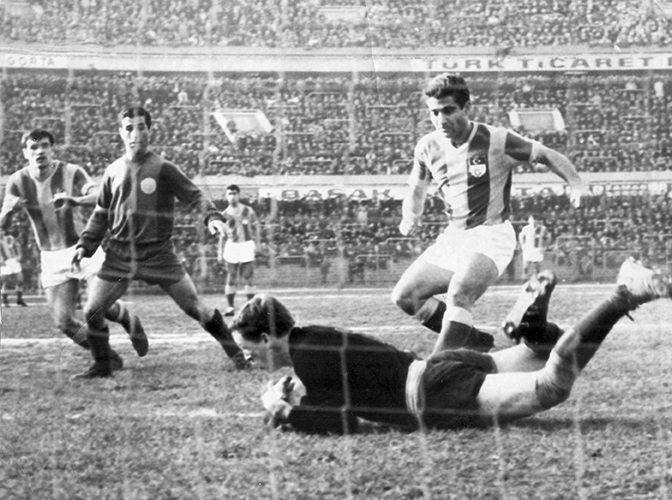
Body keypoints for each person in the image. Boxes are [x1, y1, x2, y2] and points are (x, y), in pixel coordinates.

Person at [232, 258, 672, 433]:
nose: (250, 357)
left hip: (434, 394)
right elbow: (343, 386)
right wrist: (304, 393)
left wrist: (286, 412)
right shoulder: (313, 337)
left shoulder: (309, 358)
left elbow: (344, 422)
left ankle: (623, 295)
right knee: (544, 352)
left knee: (551, 386)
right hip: (437, 367)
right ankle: (535, 329)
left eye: (250, 348)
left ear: (267, 338)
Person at [391, 73, 585, 356]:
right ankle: (474, 342)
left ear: (467, 108)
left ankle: (439, 366)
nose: (441, 119)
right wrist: (410, 214)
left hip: (491, 235)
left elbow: (546, 154)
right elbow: (417, 188)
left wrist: (575, 183)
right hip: (455, 237)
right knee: (405, 296)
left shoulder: (496, 139)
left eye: (448, 110)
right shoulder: (427, 147)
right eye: (434, 113)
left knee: (459, 294)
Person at [71, 107, 249, 379]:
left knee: (195, 307)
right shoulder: (112, 171)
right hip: (120, 254)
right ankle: (103, 365)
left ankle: (237, 355)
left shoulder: (163, 168)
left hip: (158, 254)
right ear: (121, 133)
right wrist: (85, 244)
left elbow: (194, 196)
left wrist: (212, 217)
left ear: (149, 130)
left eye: (141, 127)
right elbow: (101, 213)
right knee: (93, 310)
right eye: (129, 128)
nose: (136, 133)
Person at [0, 129, 146, 371]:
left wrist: (75, 199)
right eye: (34, 148)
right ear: (25, 153)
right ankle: (108, 356)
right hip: (51, 256)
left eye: (44, 145)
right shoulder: (17, 180)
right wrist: (8, 211)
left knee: (101, 307)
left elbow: (100, 196)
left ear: (52, 149)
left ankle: (129, 321)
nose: (40, 151)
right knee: (64, 322)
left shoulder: (71, 171)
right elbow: (3, 223)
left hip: (83, 249)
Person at [217, 184, 260, 316]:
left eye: (234, 193)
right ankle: (230, 307)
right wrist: (220, 252)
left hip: (247, 244)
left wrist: (258, 244)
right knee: (231, 276)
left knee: (248, 276)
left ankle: (251, 308)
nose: (232, 196)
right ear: (226, 196)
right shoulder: (223, 215)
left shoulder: (248, 210)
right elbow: (222, 236)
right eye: (229, 194)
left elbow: (256, 228)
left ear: (239, 195)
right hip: (232, 245)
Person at [0, 232, 27, 307]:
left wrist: (19, 256)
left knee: (20, 280)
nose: (1, 232)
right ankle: (5, 301)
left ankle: (19, 299)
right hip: (4, 262)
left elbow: (18, 246)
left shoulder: (10, 238)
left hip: (14, 261)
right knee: (5, 282)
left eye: (1, 230)